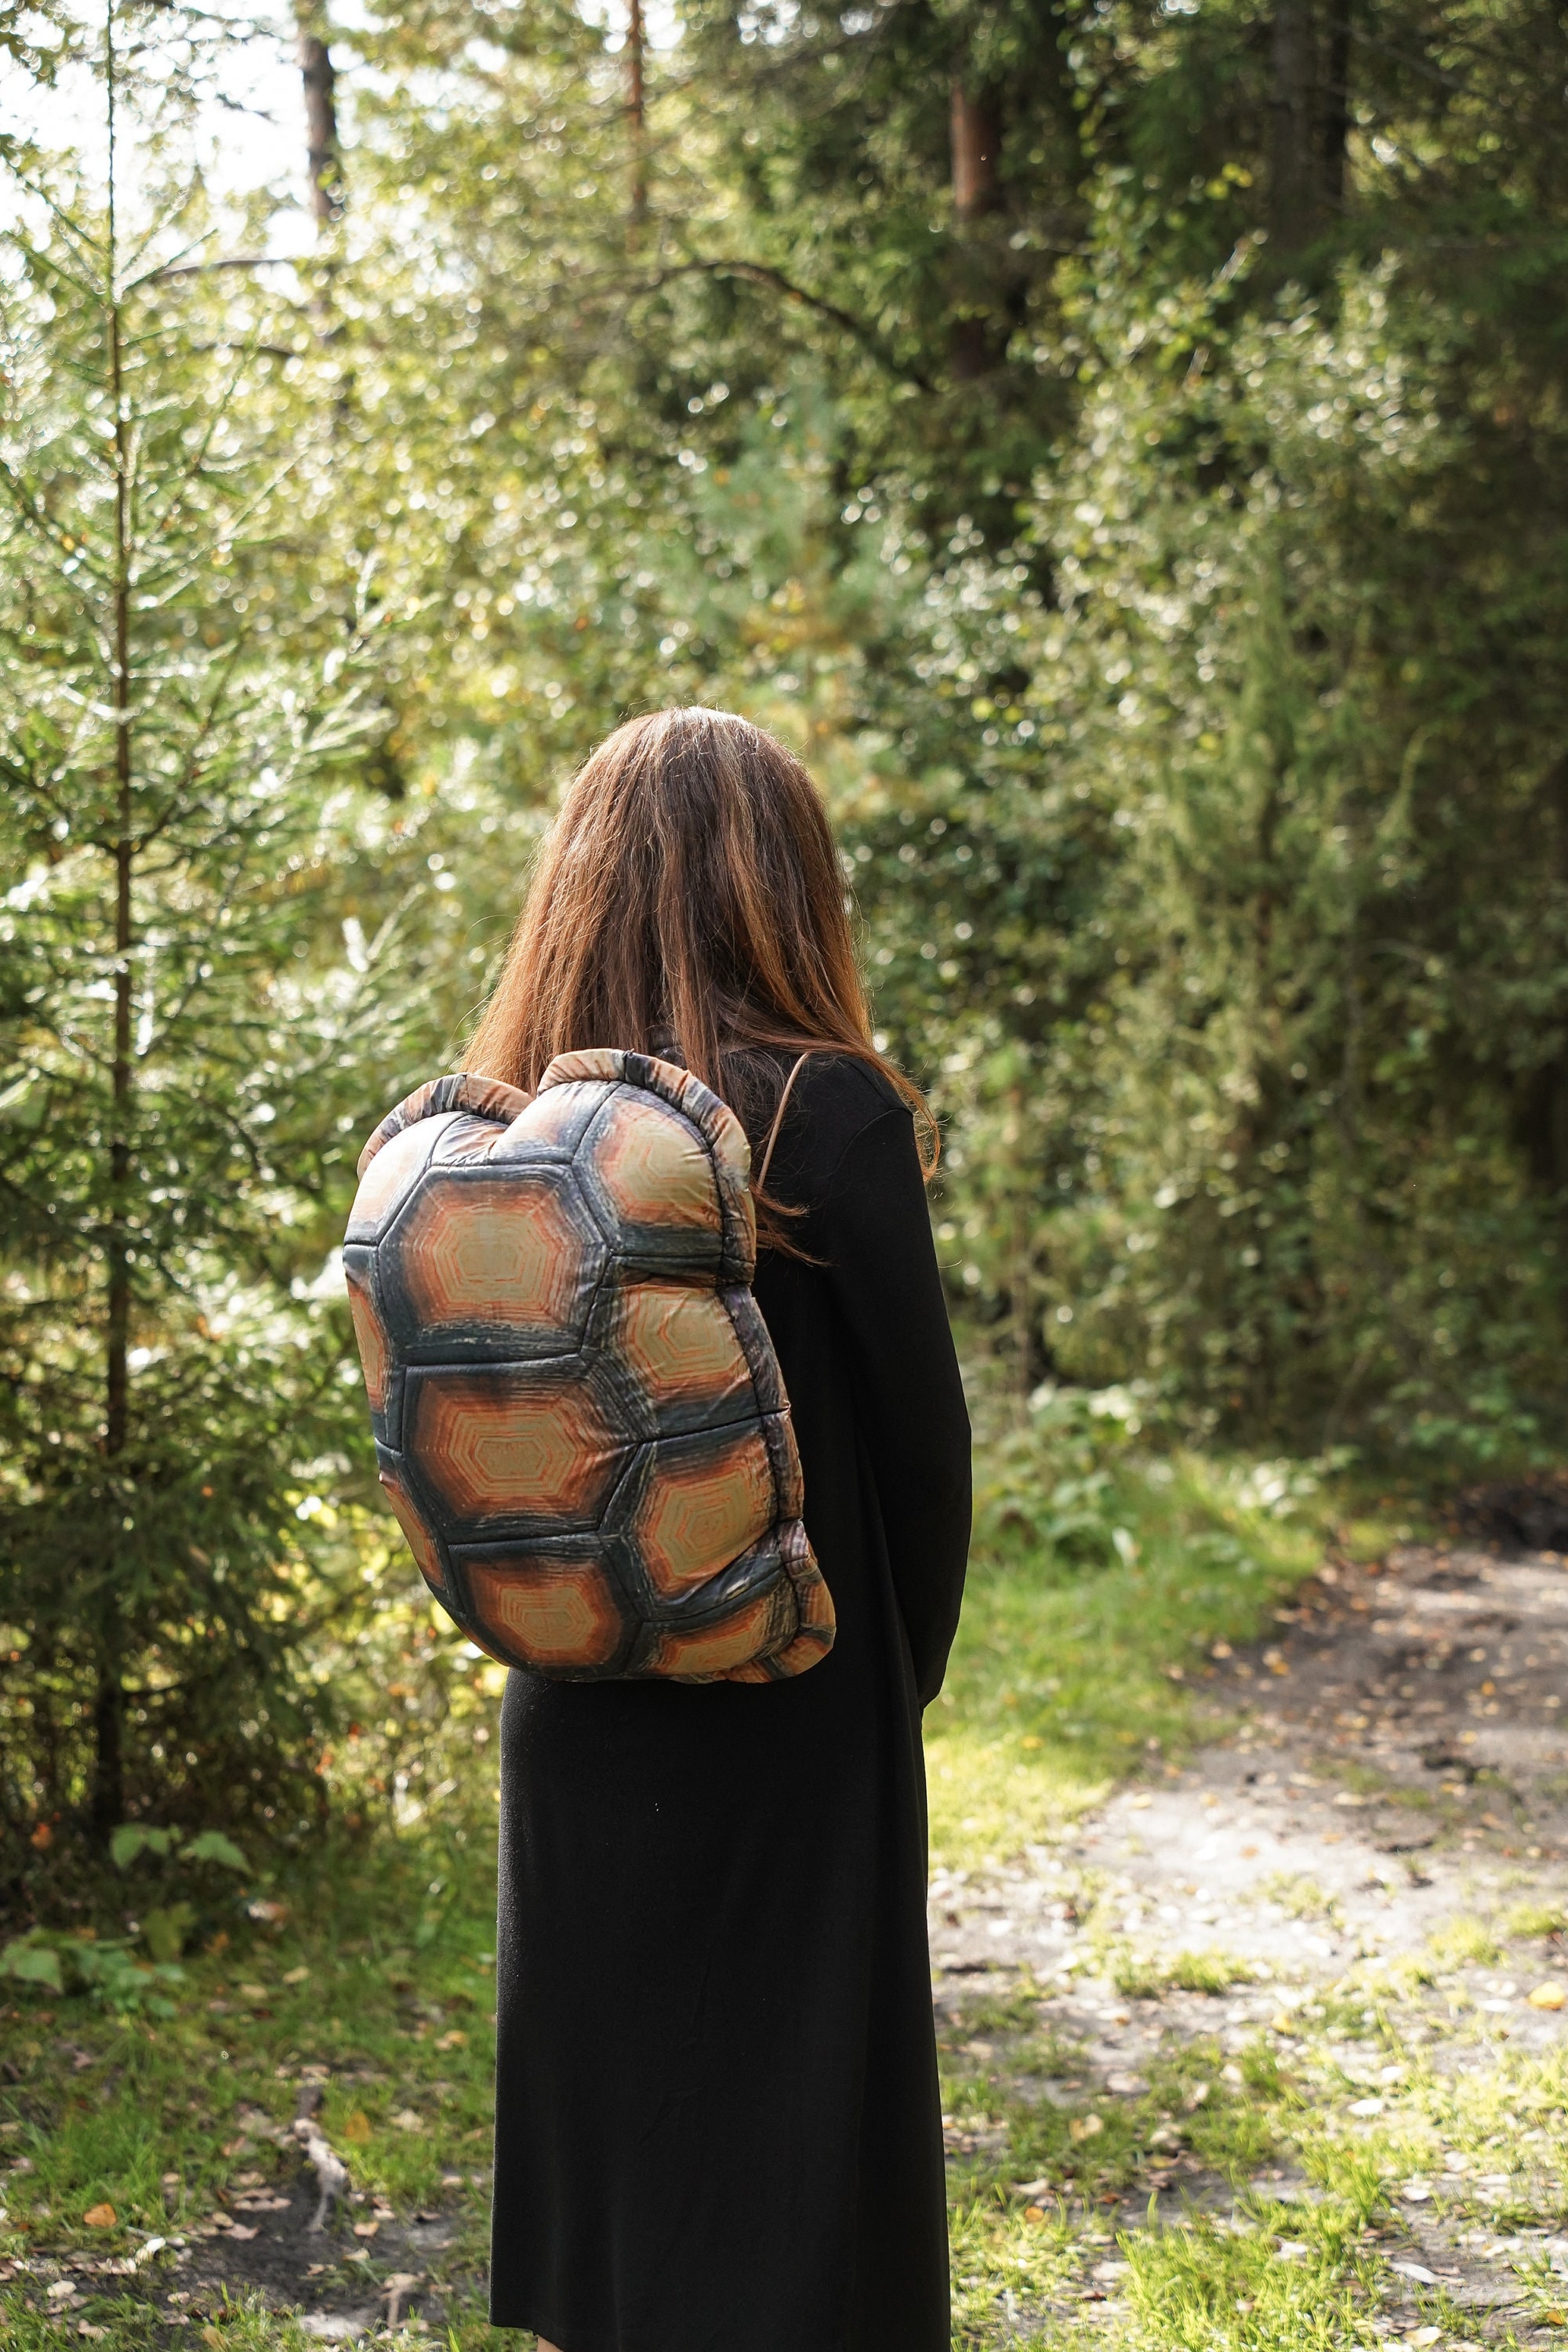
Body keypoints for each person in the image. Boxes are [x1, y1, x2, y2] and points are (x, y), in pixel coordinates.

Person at [466, 706, 971, 2352]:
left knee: (619, 2173)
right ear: (790, 887)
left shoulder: (501, 1130)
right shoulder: (825, 1114)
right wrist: (896, 1680)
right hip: (792, 1696)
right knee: (797, 2185)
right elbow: (920, 1446)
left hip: (572, 1702)